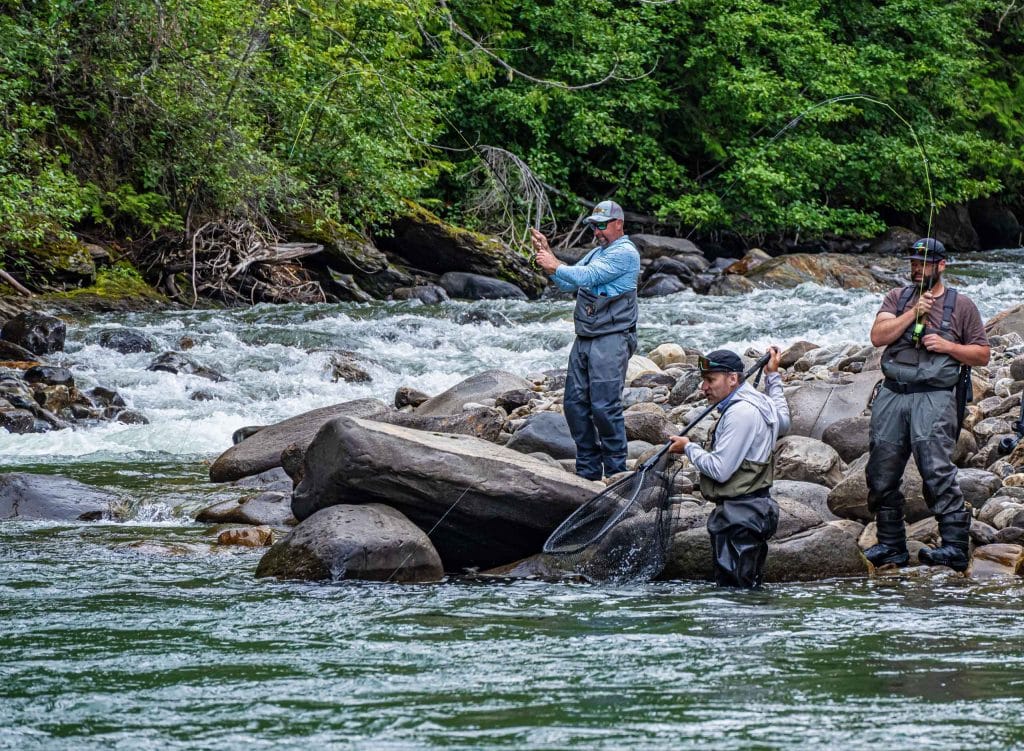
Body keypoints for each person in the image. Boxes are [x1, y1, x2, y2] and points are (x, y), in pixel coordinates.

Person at [864, 237, 990, 572]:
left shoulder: (961, 305)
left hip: (934, 396)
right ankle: (891, 545)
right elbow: (878, 336)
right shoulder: (897, 297)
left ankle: (954, 546)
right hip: (892, 393)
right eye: (914, 263)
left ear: (941, 265)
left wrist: (948, 346)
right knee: (881, 469)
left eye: (924, 264)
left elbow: (982, 354)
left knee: (935, 468)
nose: (917, 269)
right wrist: (911, 314)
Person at [530, 200, 641, 480]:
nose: (597, 232)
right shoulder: (597, 253)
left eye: (602, 226)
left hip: (612, 338)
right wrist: (548, 255)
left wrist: (555, 264)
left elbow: (589, 276)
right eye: (594, 226)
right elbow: (568, 282)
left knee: (605, 406)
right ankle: (588, 471)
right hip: (586, 338)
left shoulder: (625, 253)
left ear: (619, 224)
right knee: (574, 404)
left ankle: (617, 472)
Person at [666, 347, 789, 588]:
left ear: (733, 379)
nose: (704, 388)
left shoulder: (740, 412)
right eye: (704, 381)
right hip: (754, 510)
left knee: (733, 596)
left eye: (710, 380)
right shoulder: (760, 401)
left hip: (738, 518)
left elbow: (720, 469)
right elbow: (783, 421)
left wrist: (688, 448)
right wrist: (773, 378)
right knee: (746, 591)